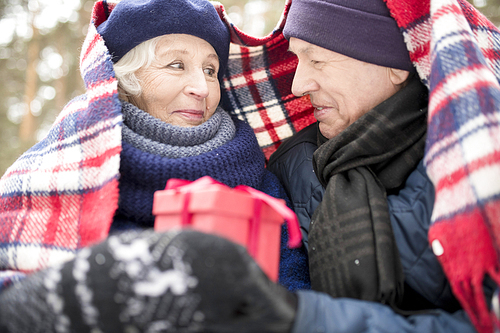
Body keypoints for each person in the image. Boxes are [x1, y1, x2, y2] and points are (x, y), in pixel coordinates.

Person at [0, 0, 309, 331]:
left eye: (210, 70)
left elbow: (295, 296)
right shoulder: (66, 164)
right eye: (176, 65)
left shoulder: (256, 176)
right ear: (128, 77)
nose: (202, 88)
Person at [265, 0, 499, 332]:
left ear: (394, 66)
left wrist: (305, 318)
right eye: (297, 59)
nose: (297, 86)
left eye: (317, 59)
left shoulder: (480, 158)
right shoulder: (290, 169)